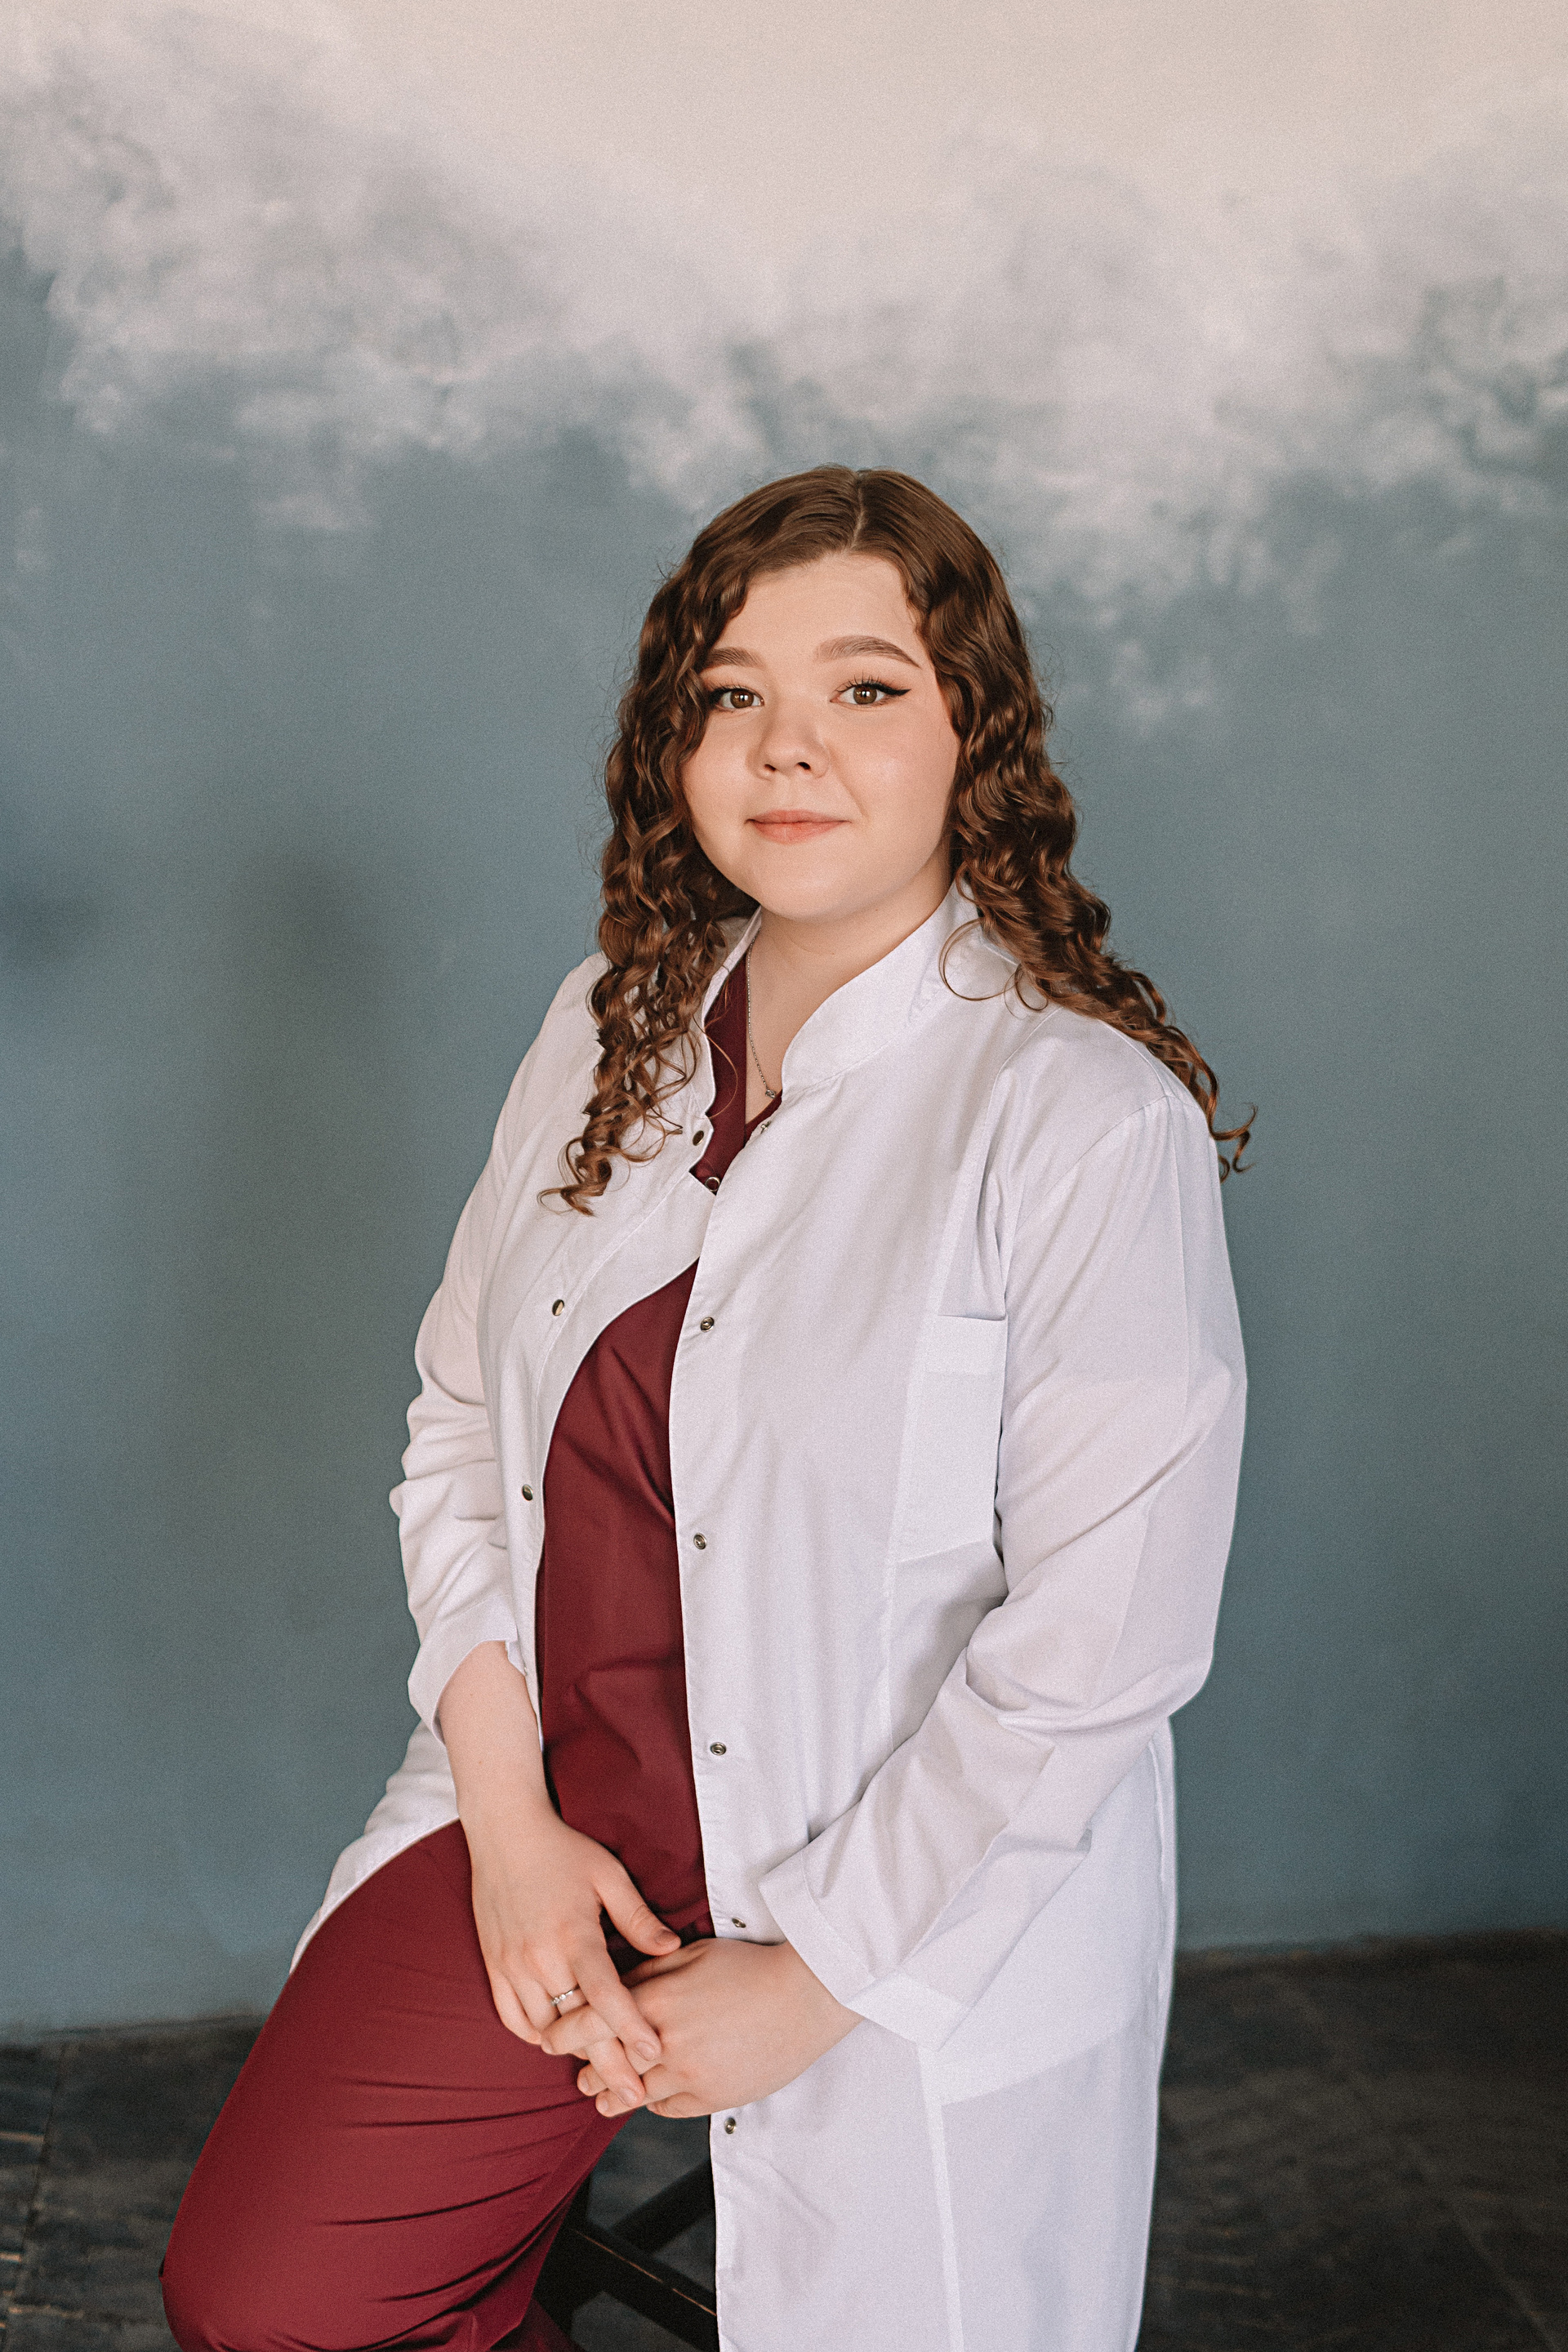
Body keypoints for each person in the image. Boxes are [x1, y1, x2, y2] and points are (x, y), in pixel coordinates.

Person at [162, 465, 1249, 2352]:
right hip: (561, 1815)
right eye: (733, 693)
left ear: (975, 735)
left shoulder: (1077, 1117)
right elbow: (456, 1424)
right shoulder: (609, 1025)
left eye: (865, 689)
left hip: (893, 1877)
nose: (785, 747)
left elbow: (1104, 1642)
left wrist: (816, 1975)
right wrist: (510, 1824)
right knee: (268, 2304)